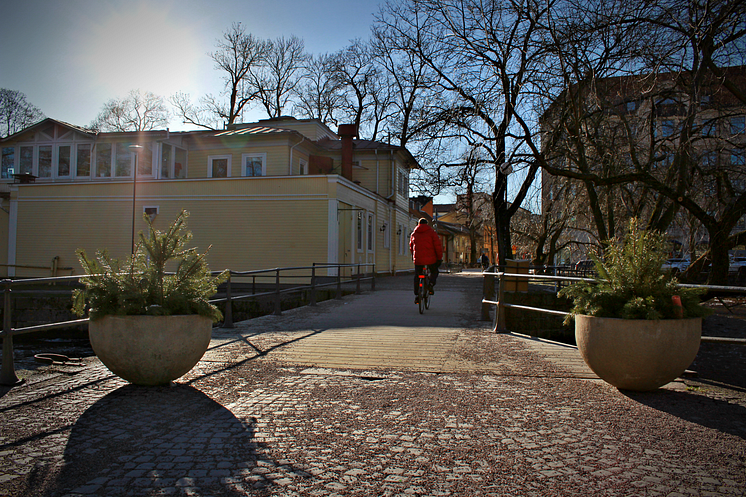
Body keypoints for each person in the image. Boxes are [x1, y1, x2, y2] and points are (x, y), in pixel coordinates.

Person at [409, 218, 444, 304]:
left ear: (418, 224)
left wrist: (413, 257)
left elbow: (411, 247)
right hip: (431, 260)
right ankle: (431, 285)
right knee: (434, 271)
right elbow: (438, 246)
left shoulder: (414, 233)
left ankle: (417, 295)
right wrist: (439, 258)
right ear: (427, 224)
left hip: (418, 260)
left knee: (417, 275)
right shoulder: (432, 233)